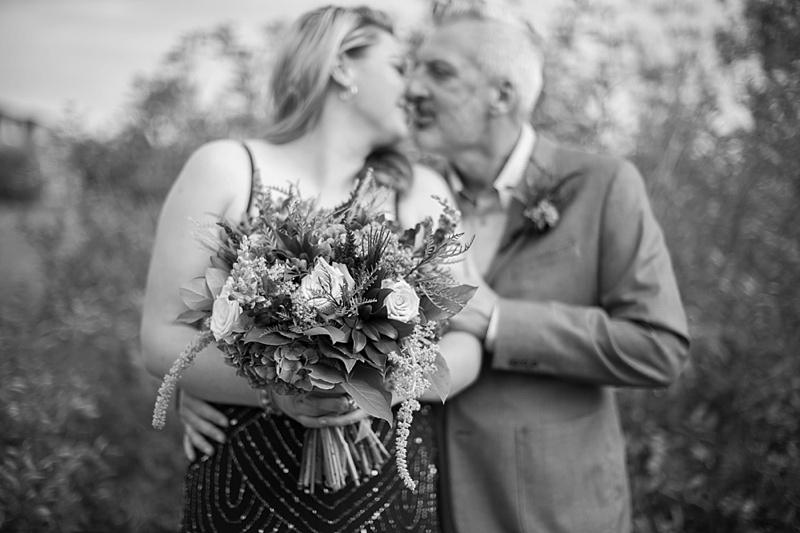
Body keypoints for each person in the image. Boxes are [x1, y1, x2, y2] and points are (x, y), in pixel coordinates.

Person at [140, 5, 481, 533]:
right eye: (399, 66)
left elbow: (471, 343)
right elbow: (160, 338)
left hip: (386, 484)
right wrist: (272, 389)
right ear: (342, 64)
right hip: (248, 479)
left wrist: (381, 386)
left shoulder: (420, 191)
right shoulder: (229, 168)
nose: (414, 90)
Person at [402, 1, 691, 532]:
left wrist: (500, 322)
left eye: (438, 72)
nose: (413, 89)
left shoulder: (603, 186)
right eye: (412, 69)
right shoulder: (410, 198)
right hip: (425, 506)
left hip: (555, 512)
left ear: (503, 95)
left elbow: (658, 347)